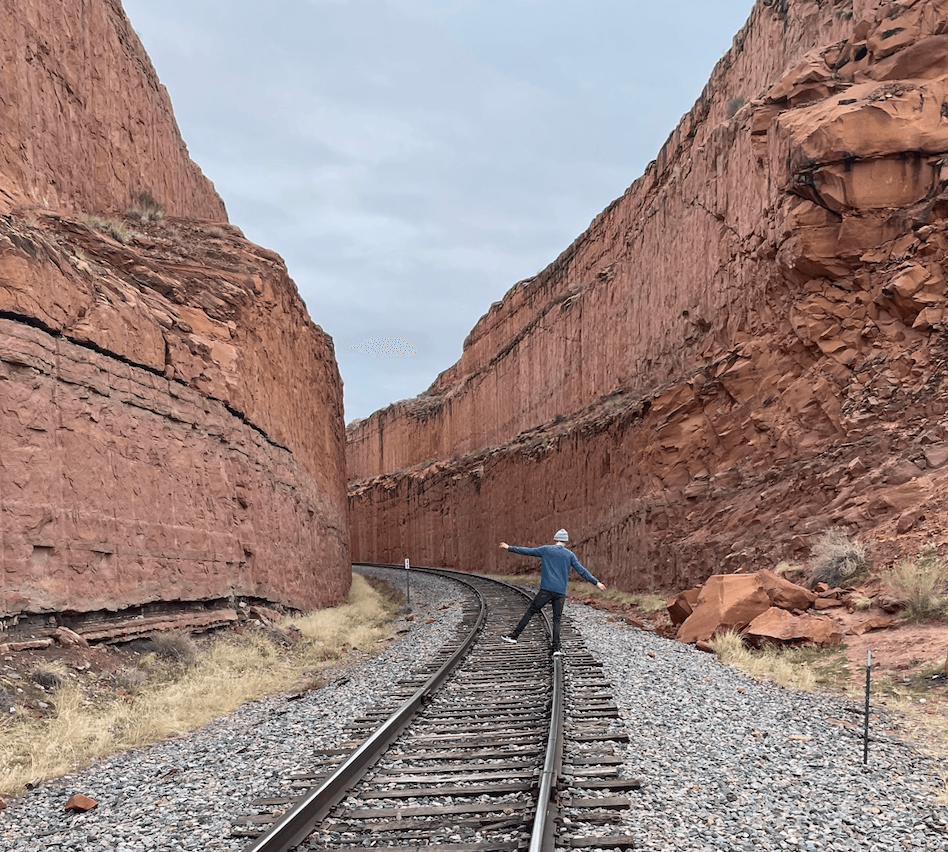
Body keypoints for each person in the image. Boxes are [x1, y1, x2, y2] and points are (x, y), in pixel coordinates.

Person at [499, 529, 606, 656]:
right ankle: (556, 649)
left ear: (555, 538)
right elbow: (582, 571)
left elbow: (527, 551)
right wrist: (596, 582)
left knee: (531, 612)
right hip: (560, 593)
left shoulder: (546, 549)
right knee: (557, 619)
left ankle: (514, 636)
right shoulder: (569, 555)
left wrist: (509, 547)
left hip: (546, 590)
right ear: (566, 541)